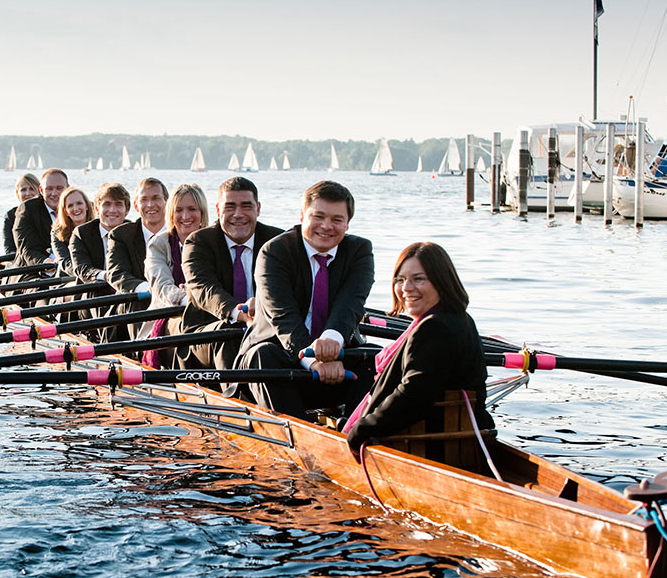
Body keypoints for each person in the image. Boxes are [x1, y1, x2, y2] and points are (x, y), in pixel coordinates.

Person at [235, 180, 375, 417]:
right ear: (302, 215)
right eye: (318, 216)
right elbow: (283, 316)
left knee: (376, 358)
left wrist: (331, 345)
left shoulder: (360, 250)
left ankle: (357, 432)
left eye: (337, 220)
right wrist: (313, 359)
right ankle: (299, 440)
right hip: (280, 358)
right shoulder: (274, 251)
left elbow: (350, 304)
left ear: (348, 224)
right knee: (263, 355)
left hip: (337, 362)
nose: (326, 226)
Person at [344, 242, 490, 453]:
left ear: (442, 281)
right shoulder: (462, 319)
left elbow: (414, 394)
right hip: (458, 438)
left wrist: (361, 430)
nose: (406, 289)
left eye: (418, 279)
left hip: (430, 445)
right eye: (400, 280)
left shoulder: (433, 327)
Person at [180, 177, 284, 370]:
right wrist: (239, 312)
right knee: (230, 331)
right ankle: (235, 395)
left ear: (258, 209)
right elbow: (204, 289)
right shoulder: (198, 242)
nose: (238, 214)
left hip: (265, 326)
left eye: (246, 206)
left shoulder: (278, 242)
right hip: (207, 330)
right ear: (218, 210)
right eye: (229, 207)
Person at [140, 183, 209, 367]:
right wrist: (191, 298)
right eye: (179, 210)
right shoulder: (158, 244)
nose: (185, 216)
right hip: (169, 315)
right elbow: (162, 287)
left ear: (202, 212)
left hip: (209, 314)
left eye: (192, 209)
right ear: (171, 214)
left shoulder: (212, 241)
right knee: (187, 330)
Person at [106, 177, 169, 338]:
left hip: (174, 299)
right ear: (135, 205)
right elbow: (116, 274)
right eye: (144, 200)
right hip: (139, 302)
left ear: (166, 202)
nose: (150, 205)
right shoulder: (120, 235)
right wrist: (147, 288)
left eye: (156, 198)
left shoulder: (180, 232)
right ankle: (141, 352)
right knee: (135, 304)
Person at [69, 182, 130, 288]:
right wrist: (107, 275)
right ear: (97, 209)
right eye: (107, 204)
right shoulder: (81, 234)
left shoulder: (133, 231)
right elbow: (82, 268)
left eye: (118, 204)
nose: (112, 210)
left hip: (127, 290)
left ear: (127, 210)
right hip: (93, 292)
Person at [12, 168, 68, 272]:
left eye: (59, 188)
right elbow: (28, 249)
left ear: (68, 188)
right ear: (41, 191)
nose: (54, 193)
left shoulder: (77, 208)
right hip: (32, 272)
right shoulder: (27, 209)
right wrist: (46, 262)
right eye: (49, 189)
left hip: (69, 268)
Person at [51, 186, 92, 278]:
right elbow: (65, 263)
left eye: (79, 203)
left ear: (87, 206)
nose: (75, 208)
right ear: (65, 211)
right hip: (68, 280)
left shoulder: (98, 227)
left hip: (97, 278)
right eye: (70, 206)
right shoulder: (57, 233)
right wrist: (89, 274)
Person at [3, 173, 41, 255]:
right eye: (23, 190)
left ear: (40, 191)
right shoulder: (10, 216)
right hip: (20, 260)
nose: (28, 193)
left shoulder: (47, 212)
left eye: (32, 189)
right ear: (17, 193)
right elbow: (9, 248)